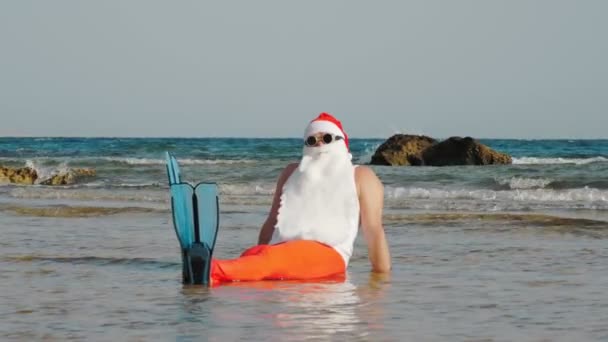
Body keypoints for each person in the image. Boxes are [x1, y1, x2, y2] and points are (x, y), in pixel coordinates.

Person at [210, 113, 391, 284]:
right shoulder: (291, 172)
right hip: (282, 248)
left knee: (268, 261)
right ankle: (209, 277)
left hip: (328, 254)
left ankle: (210, 269)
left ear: (341, 141)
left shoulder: (361, 176)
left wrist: (382, 280)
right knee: (255, 256)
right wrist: (259, 251)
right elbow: (273, 220)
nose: (320, 145)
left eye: (327, 138)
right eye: (312, 141)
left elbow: (373, 230)